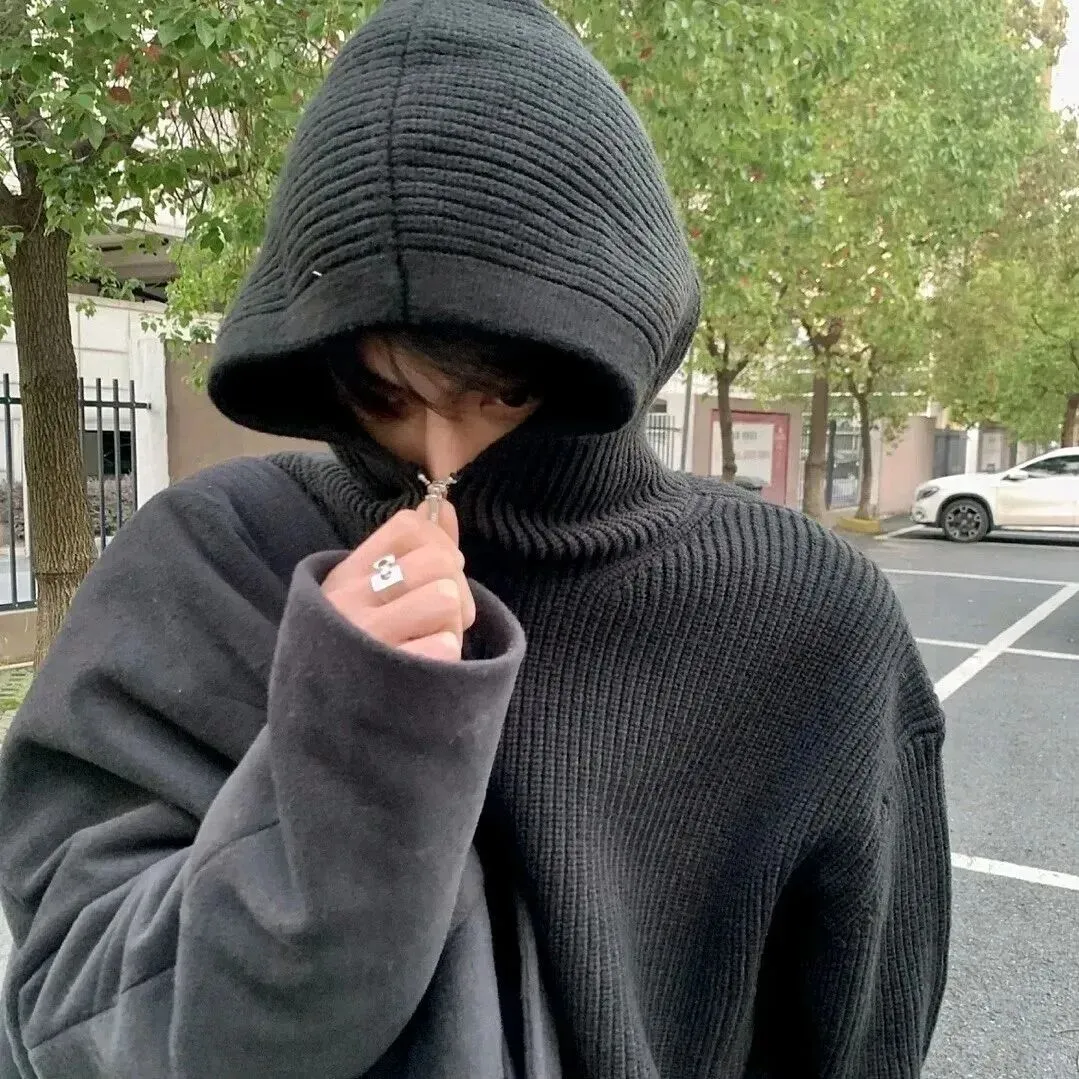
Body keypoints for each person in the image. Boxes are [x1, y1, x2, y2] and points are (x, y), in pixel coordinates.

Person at [0, 0, 950, 1076]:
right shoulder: (210, 559)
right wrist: (353, 728)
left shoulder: (806, 612)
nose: (441, 451)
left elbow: (860, 1029)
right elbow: (77, 1020)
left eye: (497, 389)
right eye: (384, 393)